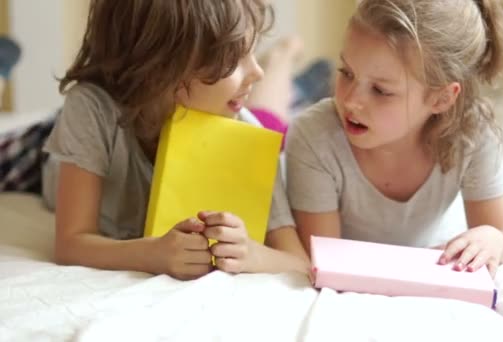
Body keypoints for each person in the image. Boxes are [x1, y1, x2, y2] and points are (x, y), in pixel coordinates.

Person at [41, 0, 309, 280]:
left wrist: (254, 254)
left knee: (267, 117)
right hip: (45, 151)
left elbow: (299, 263)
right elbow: (70, 244)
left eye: (253, 54)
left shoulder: (248, 131)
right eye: (232, 60)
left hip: (228, 108)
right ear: (160, 68)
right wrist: (152, 254)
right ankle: (284, 61)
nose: (256, 72)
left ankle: (283, 57)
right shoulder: (90, 109)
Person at [285, 0, 503, 277]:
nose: (351, 101)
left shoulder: (472, 133)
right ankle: (285, 59)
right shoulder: (314, 137)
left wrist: (492, 240)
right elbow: (325, 259)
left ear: (442, 98)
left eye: (381, 90)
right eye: (346, 73)